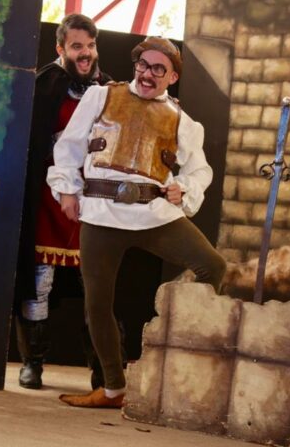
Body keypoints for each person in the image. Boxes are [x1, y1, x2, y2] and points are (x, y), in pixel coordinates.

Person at [47, 36, 227, 408]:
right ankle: (114, 388)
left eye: (158, 69)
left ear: (172, 77)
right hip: (101, 212)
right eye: (143, 65)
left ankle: (178, 348)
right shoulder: (101, 97)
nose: (147, 74)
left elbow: (200, 170)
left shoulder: (182, 120)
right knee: (97, 303)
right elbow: (69, 146)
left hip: (154, 213)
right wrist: (67, 190)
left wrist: (183, 188)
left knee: (212, 266)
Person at [14, 13, 121, 389]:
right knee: (39, 281)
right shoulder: (44, 85)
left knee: (97, 286)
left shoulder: (110, 89)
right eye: (77, 46)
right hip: (50, 197)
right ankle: (32, 362)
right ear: (60, 48)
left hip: (94, 201)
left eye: (90, 46)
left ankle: (102, 368)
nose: (86, 53)